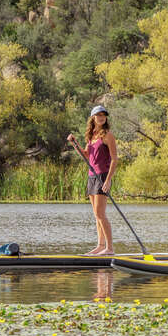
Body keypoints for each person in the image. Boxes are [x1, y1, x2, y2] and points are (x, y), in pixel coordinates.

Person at [67, 105, 118, 256]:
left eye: (103, 115)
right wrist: (74, 143)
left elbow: (115, 159)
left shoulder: (107, 135)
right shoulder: (91, 136)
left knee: (100, 213)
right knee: (97, 215)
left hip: (102, 176)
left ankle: (109, 248)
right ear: (93, 117)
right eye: (98, 115)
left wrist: (108, 181)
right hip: (91, 176)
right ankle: (100, 245)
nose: (101, 117)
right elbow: (86, 156)